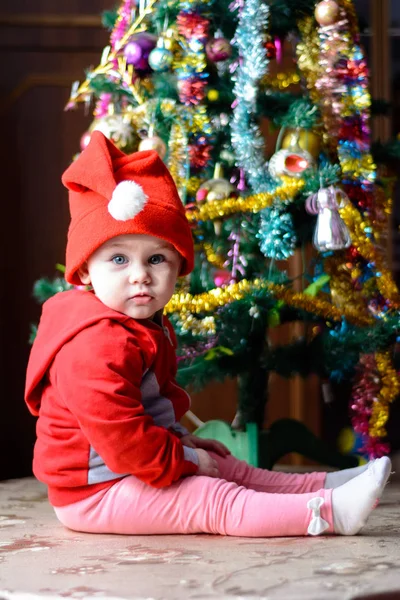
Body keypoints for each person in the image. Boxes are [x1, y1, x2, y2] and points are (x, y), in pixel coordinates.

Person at [25, 131, 392, 538]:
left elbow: (150, 410)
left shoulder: (140, 324)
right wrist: (184, 461)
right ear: (84, 271)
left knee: (228, 466)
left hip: (130, 467)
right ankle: (326, 514)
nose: (140, 275)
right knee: (208, 497)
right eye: (118, 258)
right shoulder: (93, 341)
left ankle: (324, 487)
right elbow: (123, 438)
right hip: (93, 491)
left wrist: (185, 444)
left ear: (177, 265)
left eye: (157, 258)